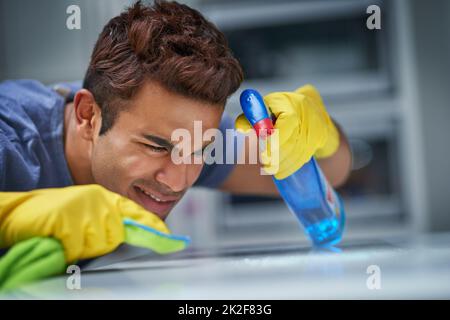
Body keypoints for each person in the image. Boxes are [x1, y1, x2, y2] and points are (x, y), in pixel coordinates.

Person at [0, 1, 352, 263]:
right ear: (88, 115)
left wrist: (322, 134)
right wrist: (10, 214)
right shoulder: (9, 141)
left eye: (201, 150)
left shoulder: (184, 135)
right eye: (155, 147)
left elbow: (333, 172)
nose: (178, 180)